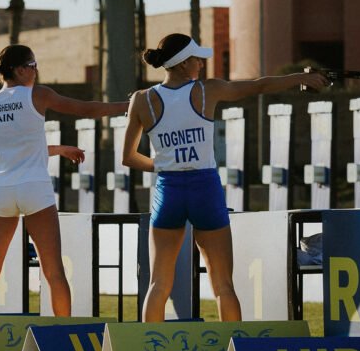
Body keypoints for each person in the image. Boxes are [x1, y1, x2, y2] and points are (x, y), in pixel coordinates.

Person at [122, 33, 328, 322]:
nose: (201, 64)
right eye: (196, 59)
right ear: (182, 64)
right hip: (205, 189)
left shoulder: (142, 100)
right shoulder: (207, 90)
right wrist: (298, 78)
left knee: (158, 284)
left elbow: (127, 157)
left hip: (168, 190)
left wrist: (165, 164)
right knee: (223, 285)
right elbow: (260, 86)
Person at [0, 44, 128, 316]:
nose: (36, 70)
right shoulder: (37, 94)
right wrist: (128, 106)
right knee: (53, 270)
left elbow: (14, 148)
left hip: (1, 192)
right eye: (33, 66)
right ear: (20, 70)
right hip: (35, 189)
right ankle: (63, 337)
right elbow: (85, 109)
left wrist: (58, 149)